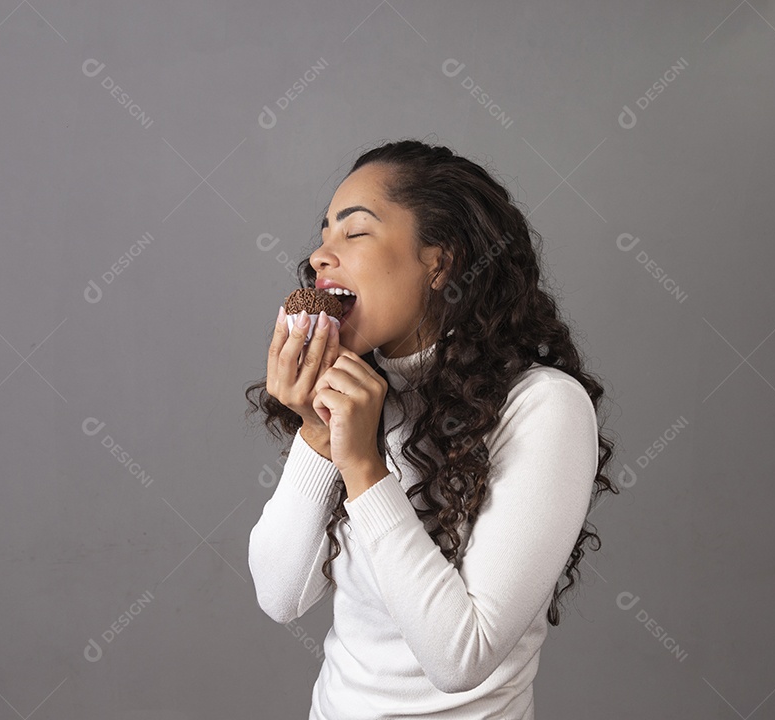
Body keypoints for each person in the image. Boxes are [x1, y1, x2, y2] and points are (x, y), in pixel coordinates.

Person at [244, 139, 617, 719]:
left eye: (355, 232)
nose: (320, 255)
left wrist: (365, 467)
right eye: (323, 234)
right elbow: (281, 596)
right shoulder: (361, 395)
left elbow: (460, 657)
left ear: (438, 262)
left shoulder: (544, 407)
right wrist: (316, 438)